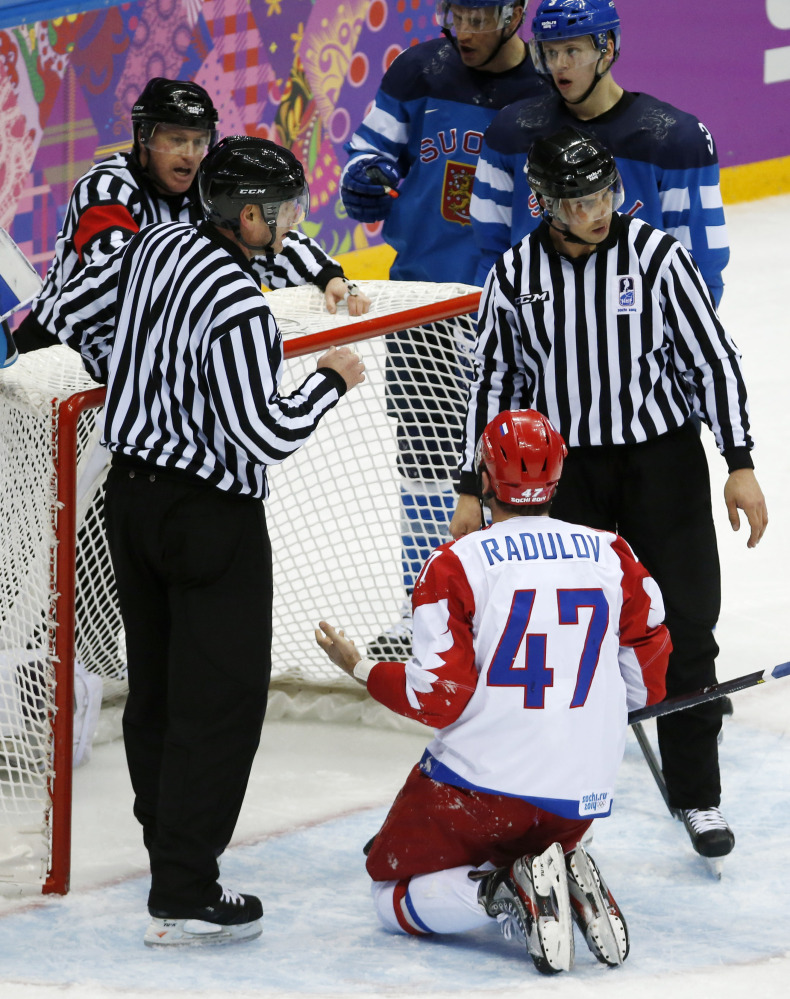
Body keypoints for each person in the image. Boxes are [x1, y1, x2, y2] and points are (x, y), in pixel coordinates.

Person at [51, 135, 366, 947]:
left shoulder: (159, 247)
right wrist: (331, 378)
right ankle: (185, 881)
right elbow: (265, 430)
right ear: (246, 215)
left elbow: (82, 310)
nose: (291, 226)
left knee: (155, 682)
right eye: (281, 213)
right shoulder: (237, 307)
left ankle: (165, 840)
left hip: (130, 501)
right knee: (221, 700)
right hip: (207, 519)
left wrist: (318, 268)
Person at [451, 128, 768, 867]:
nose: (600, 209)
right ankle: (550, 797)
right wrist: (475, 484)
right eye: (582, 199)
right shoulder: (517, 273)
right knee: (567, 638)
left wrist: (740, 460)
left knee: (686, 629)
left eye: (605, 193)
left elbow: (713, 360)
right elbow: (494, 383)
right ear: (548, 204)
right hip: (570, 480)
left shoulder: (657, 258)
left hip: (664, 465)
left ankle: (697, 793)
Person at [315, 408, 669, 975]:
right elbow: (645, 681)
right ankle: (556, 864)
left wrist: (361, 668)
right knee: (532, 826)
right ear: (558, 478)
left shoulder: (455, 564)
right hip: (583, 795)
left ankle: (504, 888)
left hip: (482, 790)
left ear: (483, 479)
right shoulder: (612, 553)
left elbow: (439, 699)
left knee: (390, 895)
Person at [341, 2, 546, 659]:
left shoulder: (545, 92)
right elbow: (371, 152)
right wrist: (363, 177)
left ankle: (511, 606)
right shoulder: (418, 71)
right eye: (458, 13)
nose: (468, 30)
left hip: (511, 309)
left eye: (484, 15)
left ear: (515, 14)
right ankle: (425, 609)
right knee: (427, 464)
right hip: (422, 298)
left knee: (513, 465)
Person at [13, 76, 368, 357]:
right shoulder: (105, 187)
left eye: (199, 142)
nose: (190, 154)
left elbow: (263, 237)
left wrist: (327, 276)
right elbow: (119, 277)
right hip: (55, 350)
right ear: (143, 137)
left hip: (134, 352)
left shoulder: (209, 189)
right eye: (176, 139)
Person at [470, 0, 729, 302]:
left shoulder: (676, 140)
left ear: (606, 48)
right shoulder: (511, 131)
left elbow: (699, 271)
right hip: (536, 333)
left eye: (572, 51)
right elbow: (493, 254)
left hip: (638, 334)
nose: (560, 65)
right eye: (551, 52)